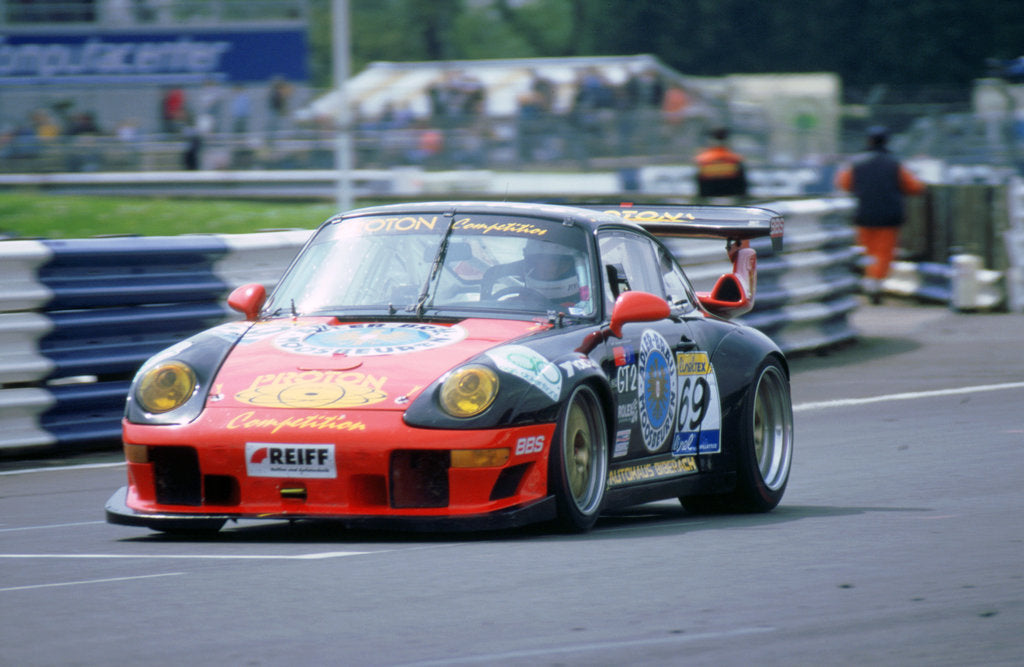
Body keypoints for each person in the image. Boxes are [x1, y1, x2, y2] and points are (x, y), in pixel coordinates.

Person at [835, 126, 925, 304]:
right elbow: (915, 187)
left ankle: (868, 281)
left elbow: (843, 184)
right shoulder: (895, 164)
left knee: (866, 250)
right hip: (888, 216)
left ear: (868, 141)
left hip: (863, 214)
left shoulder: (856, 163)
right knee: (883, 252)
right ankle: (875, 284)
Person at [694, 127, 747, 199]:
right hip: (732, 196)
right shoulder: (734, 159)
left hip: (709, 197)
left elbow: (700, 185)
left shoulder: (703, 160)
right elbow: (742, 185)